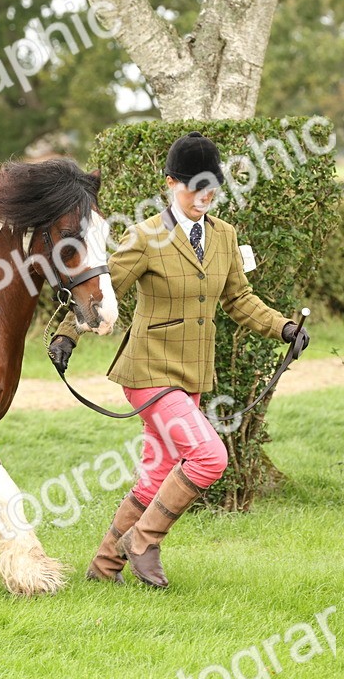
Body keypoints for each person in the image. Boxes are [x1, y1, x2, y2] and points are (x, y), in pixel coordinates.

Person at [47, 131, 309, 588]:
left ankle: (104, 567)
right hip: (148, 372)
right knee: (209, 456)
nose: (205, 197)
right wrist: (67, 335)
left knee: (156, 475)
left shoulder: (224, 237)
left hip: (190, 376)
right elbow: (108, 291)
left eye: (212, 187)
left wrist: (284, 327)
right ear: (171, 183)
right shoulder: (145, 236)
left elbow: (239, 298)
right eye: (195, 187)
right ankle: (143, 542)